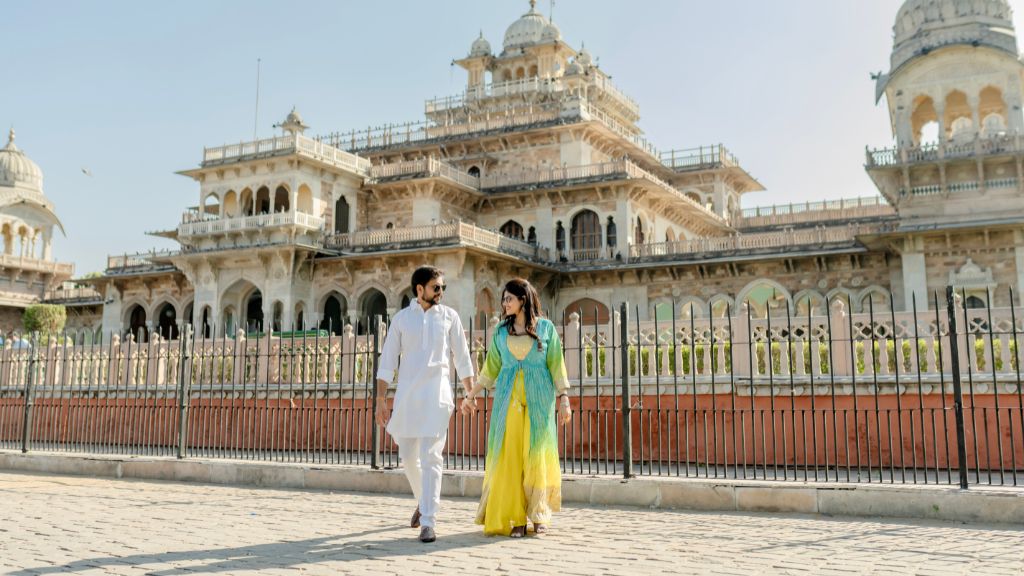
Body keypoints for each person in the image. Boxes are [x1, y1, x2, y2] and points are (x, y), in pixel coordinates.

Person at [460, 278, 571, 538]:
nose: (504, 303)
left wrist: (564, 398)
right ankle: (516, 516)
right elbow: (489, 372)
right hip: (508, 403)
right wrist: (470, 396)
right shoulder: (500, 332)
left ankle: (539, 514)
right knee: (510, 458)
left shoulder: (546, 329)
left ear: (523, 300)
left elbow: (557, 365)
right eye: (503, 299)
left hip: (539, 402)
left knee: (536, 457)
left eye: (509, 298)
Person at [375, 266, 475, 543]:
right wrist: (381, 399)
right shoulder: (402, 319)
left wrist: (469, 392)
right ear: (419, 289)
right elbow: (387, 361)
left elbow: (462, 358)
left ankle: (429, 521)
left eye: (442, 287)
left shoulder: (449, 317)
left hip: (437, 396)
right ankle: (423, 501)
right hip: (408, 397)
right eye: (436, 287)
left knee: (432, 457)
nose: (441, 292)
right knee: (407, 457)